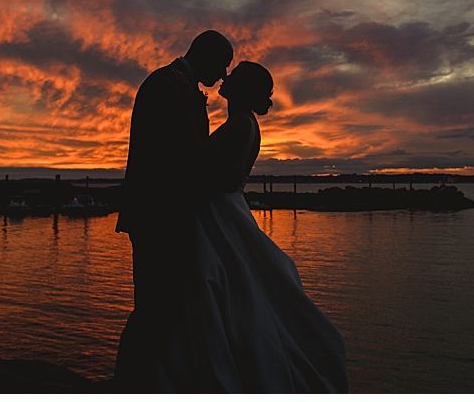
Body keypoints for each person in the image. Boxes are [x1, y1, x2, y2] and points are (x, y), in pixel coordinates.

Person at [140, 61, 349, 392]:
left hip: (218, 212)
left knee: (217, 283)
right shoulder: (241, 123)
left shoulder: (240, 125)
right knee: (233, 285)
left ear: (242, 88)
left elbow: (209, 175)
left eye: (233, 75)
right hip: (223, 210)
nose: (224, 77)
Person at [114, 29, 234, 392]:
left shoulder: (171, 83)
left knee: (162, 305)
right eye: (222, 66)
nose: (224, 76)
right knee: (155, 307)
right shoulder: (170, 85)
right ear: (205, 55)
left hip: (160, 213)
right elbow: (183, 156)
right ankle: (133, 384)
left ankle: (146, 381)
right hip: (160, 216)